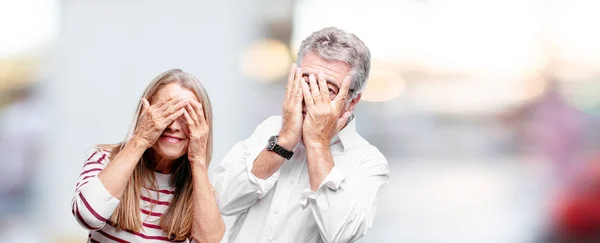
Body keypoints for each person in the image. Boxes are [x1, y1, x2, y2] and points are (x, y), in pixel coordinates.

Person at [214, 27, 390, 243]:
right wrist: (284, 141)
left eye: (328, 90)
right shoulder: (270, 129)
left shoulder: (369, 162)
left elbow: (342, 234)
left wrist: (317, 142)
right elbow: (224, 201)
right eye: (306, 82)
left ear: (352, 102)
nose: (309, 97)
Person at [71, 69, 224, 242]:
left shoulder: (201, 191)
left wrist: (198, 160)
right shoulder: (104, 159)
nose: (173, 126)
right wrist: (140, 138)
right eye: (165, 112)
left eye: (186, 115)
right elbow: (88, 216)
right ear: (145, 113)